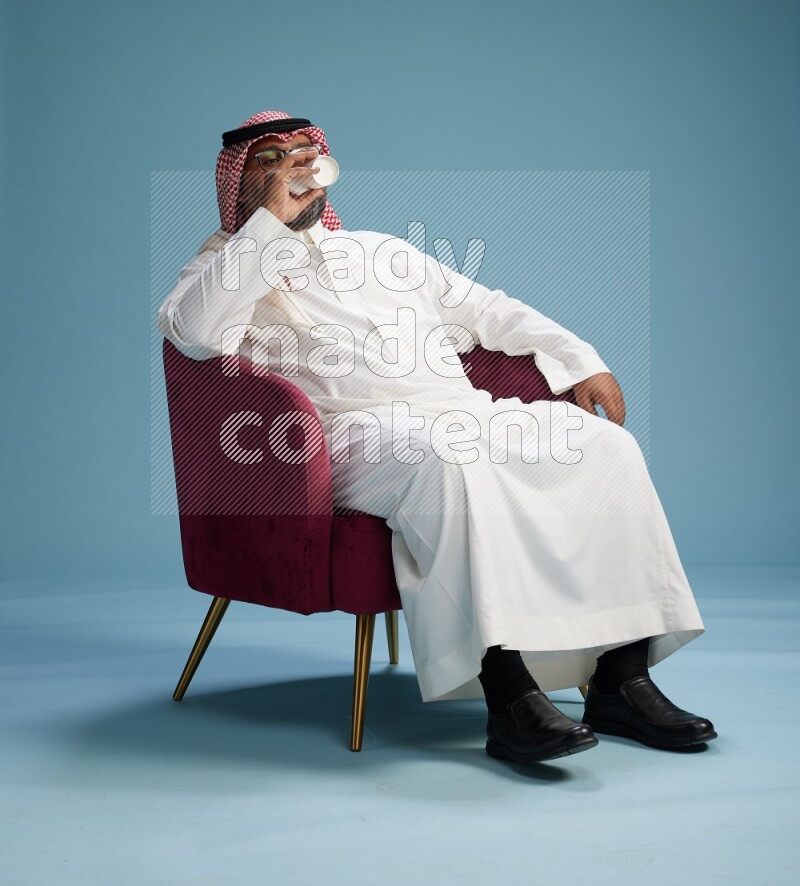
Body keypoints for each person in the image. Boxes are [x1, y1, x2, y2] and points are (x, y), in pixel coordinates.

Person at [157, 109, 717, 767]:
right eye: (271, 158)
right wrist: (266, 229)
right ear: (239, 179)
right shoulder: (220, 267)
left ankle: (623, 680)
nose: (294, 168)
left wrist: (580, 359)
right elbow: (193, 333)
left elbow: (489, 309)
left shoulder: (379, 251)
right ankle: (506, 696)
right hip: (345, 438)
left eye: (305, 153)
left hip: (458, 410)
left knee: (604, 450)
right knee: (450, 464)